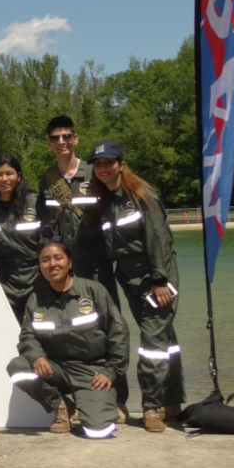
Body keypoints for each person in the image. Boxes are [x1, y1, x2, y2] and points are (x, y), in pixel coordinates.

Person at [36, 116, 129, 419]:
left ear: (76, 138)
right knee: (68, 332)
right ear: (49, 143)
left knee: (109, 327)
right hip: (64, 271)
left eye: (66, 136)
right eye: (55, 138)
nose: (61, 142)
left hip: (98, 264)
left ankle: (118, 397)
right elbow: (44, 226)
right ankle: (73, 397)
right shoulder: (47, 179)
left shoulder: (96, 170)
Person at [89, 140, 184, 433]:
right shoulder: (106, 200)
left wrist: (159, 281)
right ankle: (172, 402)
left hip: (156, 278)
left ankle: (150, 407)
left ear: (121, 163)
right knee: (165, 340)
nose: (103, 169)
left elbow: (159, 238)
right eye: (98, 164)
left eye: (109, 162)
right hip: (129, 278)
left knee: (152, 344)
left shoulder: (141, 194)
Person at [7, 237, 129, 439]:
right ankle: (61, 406)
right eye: (45, 260)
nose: (52, 264)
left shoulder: (93, 291)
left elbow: (119, 332)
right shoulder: (36, 299)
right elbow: (28, 336)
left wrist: (111, 371)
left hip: (92, 371)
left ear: (69, 262)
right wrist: (37, 357)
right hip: (56, 370)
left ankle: (95, 405)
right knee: (18, 367)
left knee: (98, 431)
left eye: (58, 258)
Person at [0, 154, 42, 321]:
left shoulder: (35, 202)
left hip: (37, 280)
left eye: (10, 173)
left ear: (19, 176)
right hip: (5, 283)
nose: (5, 179)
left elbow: (50, 240)